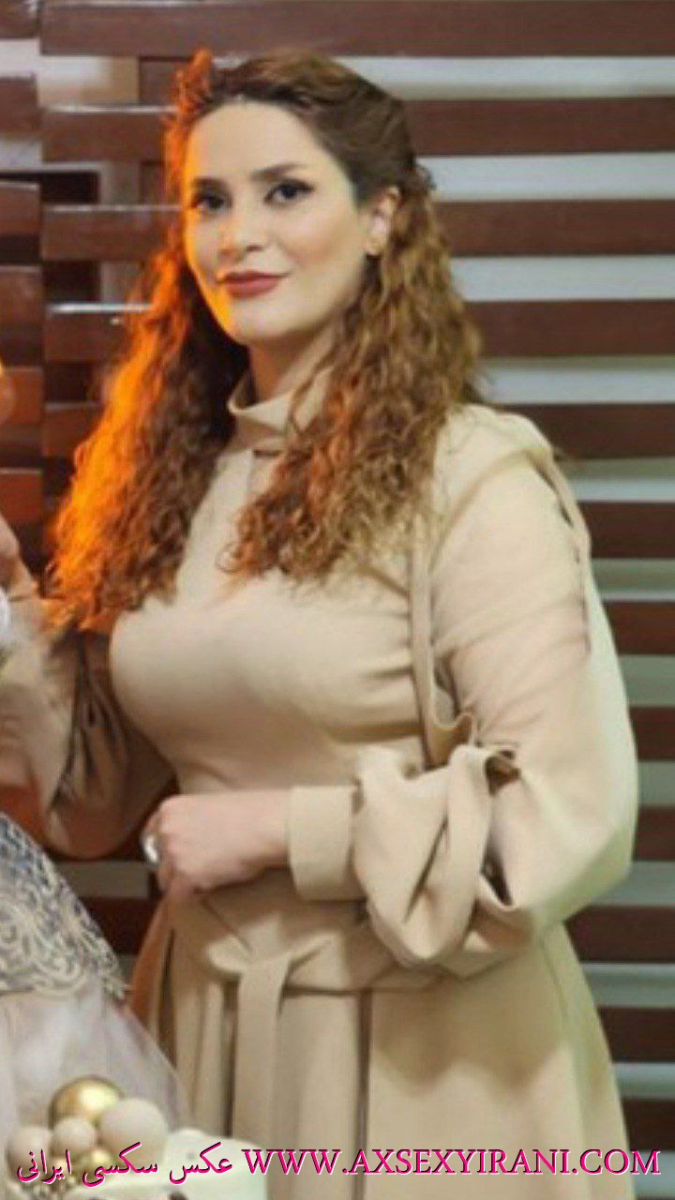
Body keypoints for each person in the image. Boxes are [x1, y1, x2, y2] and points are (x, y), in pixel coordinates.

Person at [0, 47, 638, 1200]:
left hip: (436, 1071)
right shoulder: (169, 480)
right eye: (209, 200)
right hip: (203, 1047)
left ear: (382, 215)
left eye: (285, 191)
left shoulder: (471, 477)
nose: (238, 236)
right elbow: (91, 800)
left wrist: (279, 832)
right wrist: (8, 610)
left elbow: (565, 816)